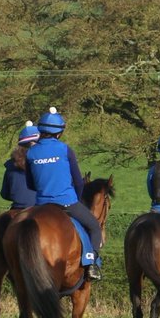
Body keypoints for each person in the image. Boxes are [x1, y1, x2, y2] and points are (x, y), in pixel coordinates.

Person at [25, 107, 104, 280]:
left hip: (41, 205)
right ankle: (92, 265)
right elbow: (77, 180)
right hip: (67, 203)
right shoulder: (65, 150)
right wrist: (75, 198)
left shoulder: (30, 152)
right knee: (94, 226)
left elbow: (30, 184)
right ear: (59, 133)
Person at [1, 123, 39, 210]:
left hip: (18, 207)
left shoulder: (11, 164)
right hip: (40, 206)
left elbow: (5, 194)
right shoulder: (45, 162)